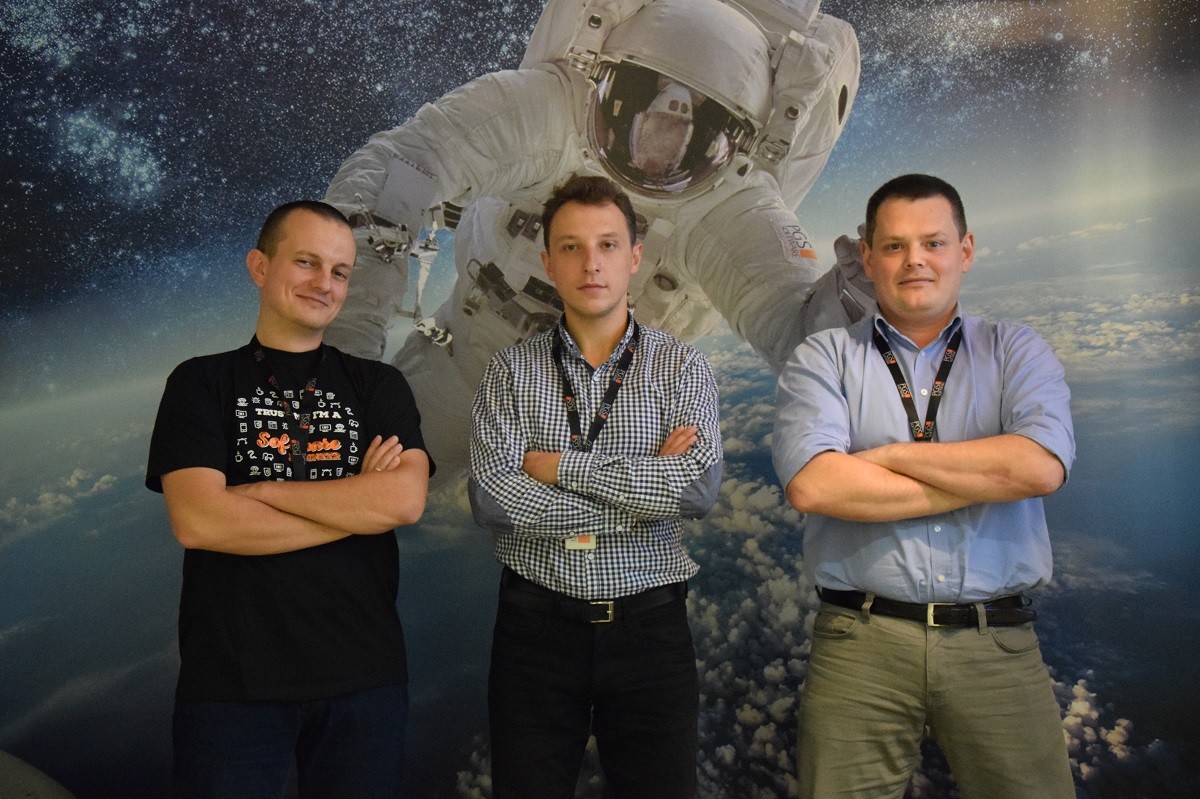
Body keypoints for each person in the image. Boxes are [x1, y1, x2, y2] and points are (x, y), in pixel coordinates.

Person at [323, 0, 870, 476]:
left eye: (694, 123)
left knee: (579, 558)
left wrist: (864, 314)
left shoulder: (732, 204)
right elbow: (397, 172)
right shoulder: (550, 109)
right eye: (646, 98)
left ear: (737, 142)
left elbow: (799, 328)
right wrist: (345, 351)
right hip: (465, 365)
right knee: (342, 469)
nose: (663, 128)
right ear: (604, 81)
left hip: (605, 420)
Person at [772, 174, 1076, 798]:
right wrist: (987, 479)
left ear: (965, 250)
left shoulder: (1015, 350)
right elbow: (815, 486)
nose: (915, 260)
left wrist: (888, 457)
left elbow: (1040, 468)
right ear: (867, 258)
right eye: (894, 246)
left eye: (933, 243)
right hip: (860, 647)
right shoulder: (823, 357)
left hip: (996, 646)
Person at [145, 200, 434, 799]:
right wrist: (356, 508)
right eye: (306, 262)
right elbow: (201, 521)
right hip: (230, 688)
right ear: (260, 266)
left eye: (339, 271)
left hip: (366, 683)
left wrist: (263, 492)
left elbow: (404, 502)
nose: (324, 283)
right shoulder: (199, 382)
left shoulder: (379, 385)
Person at [468, 175, 723, 798]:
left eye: (607, 245)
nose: (591, 264)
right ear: (547, 262)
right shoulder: (508, 372)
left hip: (650, 634)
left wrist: (560, 469)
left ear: (635, 257)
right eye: (572, 247)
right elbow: (492, 499)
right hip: (534, 634)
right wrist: (644, 493)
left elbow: (695, 490)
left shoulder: (681, 366)